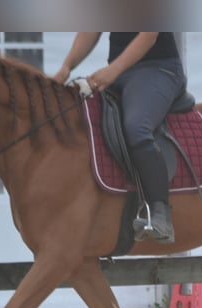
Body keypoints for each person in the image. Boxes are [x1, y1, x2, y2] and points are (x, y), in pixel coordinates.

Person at [54, 32, 187, 244]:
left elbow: (149, 35)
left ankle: (160, 212)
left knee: (136, 128)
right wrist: (66, 67)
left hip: (157, 68)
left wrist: (112, 71)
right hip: (120, 72)